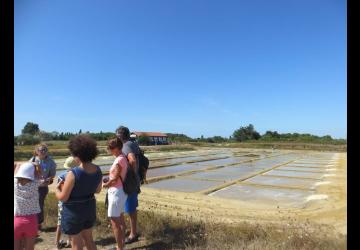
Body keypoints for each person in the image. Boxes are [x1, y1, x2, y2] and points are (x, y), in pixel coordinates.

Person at [55, 135, 102, 250]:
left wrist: (56, 189)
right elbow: (97, 190)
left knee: (76, 243)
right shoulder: (98, 169)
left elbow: (63, 198)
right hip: (89, 208)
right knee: (89, 239)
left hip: (74, 211)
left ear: (77, 154)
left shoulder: (73, 173)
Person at [102, 138, 129, 250]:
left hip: (116, 192)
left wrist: (105, 184)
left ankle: (119, 247)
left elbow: (115, 179)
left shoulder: (119, 160)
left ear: (117, 148)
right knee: (120, 219)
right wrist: (109, 179)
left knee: (115, 222)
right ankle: (121, 245)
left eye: (111, 148)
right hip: (120, 191)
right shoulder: (122, 157)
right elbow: (115, 177)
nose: (110, 150)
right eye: (109, 148)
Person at [115, 126, 140, 244]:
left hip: (129, 183)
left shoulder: (126, 145)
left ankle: (132, 234)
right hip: (132, 182)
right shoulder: (132, 143)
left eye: (117, 136)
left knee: (130, 209)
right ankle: (132, 232)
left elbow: (133, 160)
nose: (116, 138)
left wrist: (131, 175)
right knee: (131, 209)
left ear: (120, 136)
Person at [14, 162, 42, 250]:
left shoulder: (15, 184)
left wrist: (20, 164)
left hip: (16, 220)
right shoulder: (35, 184)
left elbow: (16, 170)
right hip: (31, 221)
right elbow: (40, 176)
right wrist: (36, 165)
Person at [30, 143, 57, 230]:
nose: (42, 152)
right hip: (31, 187)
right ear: (36, 151)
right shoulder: (32, 160)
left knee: (39, 205)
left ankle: (38, 224)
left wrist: (47, 180)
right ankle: (30, 223)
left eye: (44, 150)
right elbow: (25, 172)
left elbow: (52, 175)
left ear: (47, 151)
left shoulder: (51, 162)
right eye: (40, 150)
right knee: (30, 205)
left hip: (42, 187)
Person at [55, 156, 79, 249]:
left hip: (62, 202)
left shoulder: (61, 175)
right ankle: (69, 241)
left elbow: (60, 190)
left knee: (60, 223)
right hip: (71, 202)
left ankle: (58, 243)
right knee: (71, 223)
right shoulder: (75, 175)